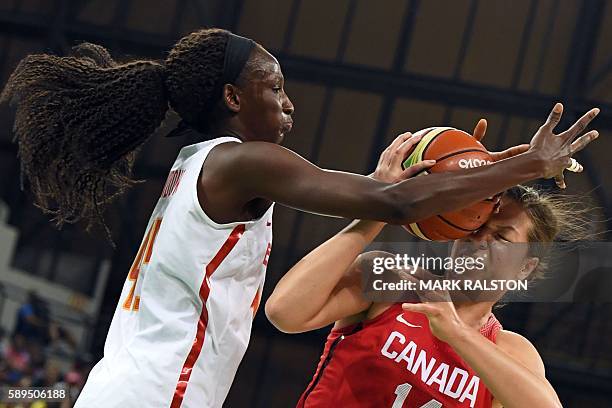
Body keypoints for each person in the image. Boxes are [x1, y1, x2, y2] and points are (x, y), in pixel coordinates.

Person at [0, 27, 598, 407]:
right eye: (274, 86)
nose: (289, 101)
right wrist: (518, 170)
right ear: (233, 98)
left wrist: (484, 177)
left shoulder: (206, 165)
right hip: (160, 389)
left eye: (504, 235)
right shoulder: (246, 165)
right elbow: (388, 209)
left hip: (145, 383)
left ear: (529, 268)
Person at [265, 133, 583, 407]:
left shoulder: (509, 350)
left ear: (525, 268)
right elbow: (284, 312)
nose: (480, 241)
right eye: (475, 227)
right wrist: (382, 204)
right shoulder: (393, 280)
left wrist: (457, 333)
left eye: (501, 237)